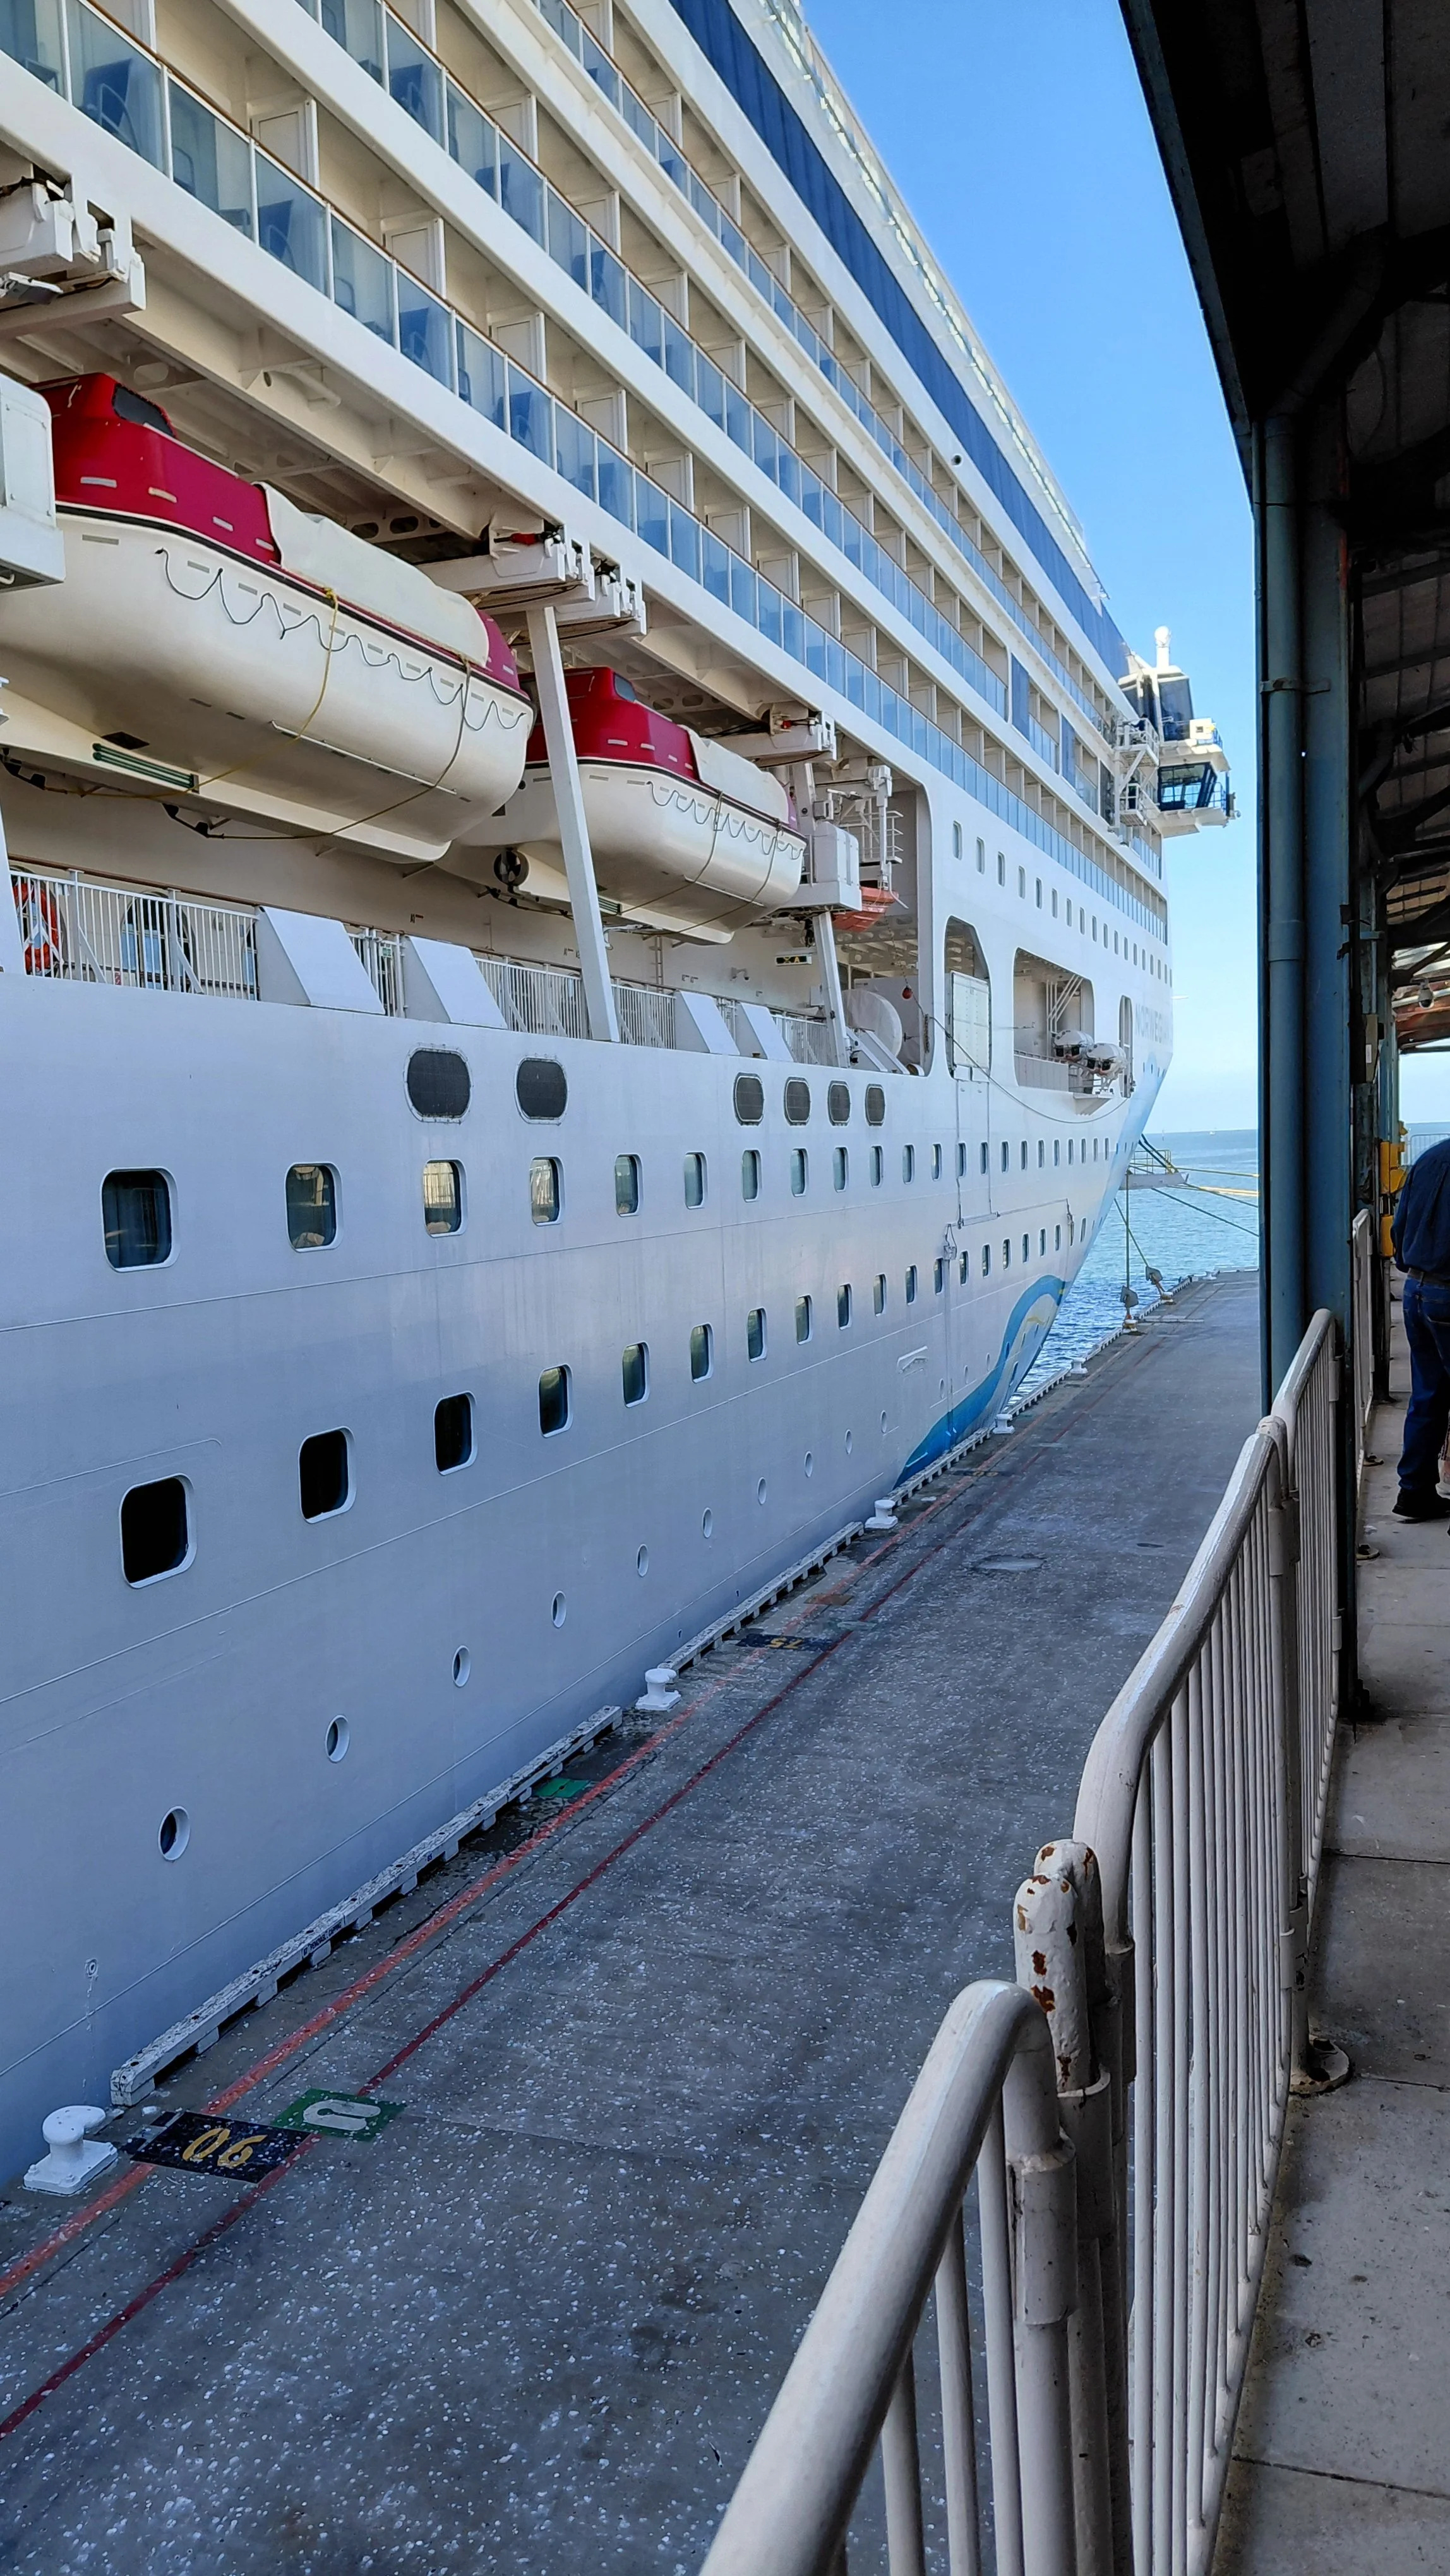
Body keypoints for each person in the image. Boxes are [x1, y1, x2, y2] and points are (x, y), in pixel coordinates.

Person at [1390, 1131, 1450, 1517]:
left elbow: (1399, 1229)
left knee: (1428, 1395)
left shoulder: (1429, 1160)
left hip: (1417, 1289)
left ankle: (1414, 1492)